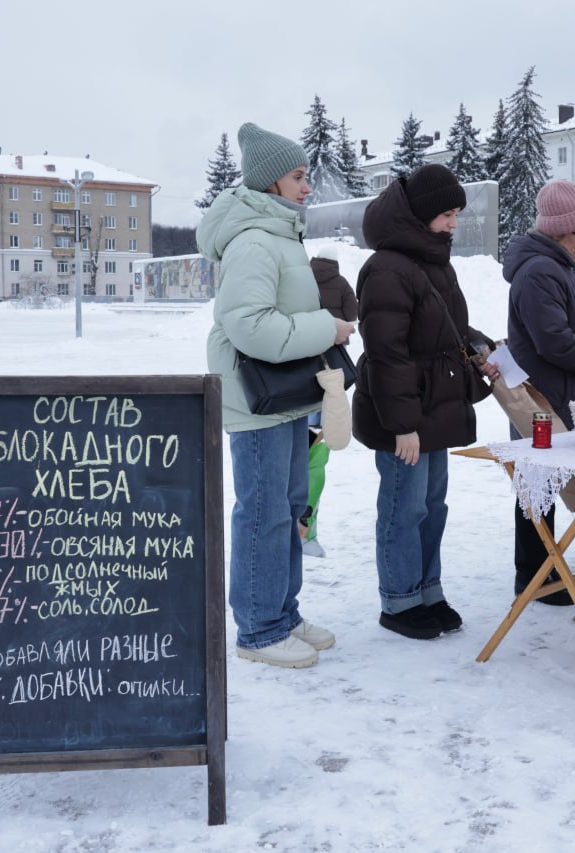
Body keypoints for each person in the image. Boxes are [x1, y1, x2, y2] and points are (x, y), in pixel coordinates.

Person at [197, 122, 356, 669]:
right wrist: (326, 328)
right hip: (256, 398)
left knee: (289, 509)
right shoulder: (253, 242)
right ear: (269, 183)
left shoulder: (279, 235)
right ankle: (259, 629)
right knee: (263, 512)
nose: (307, 186)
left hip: (284, 394)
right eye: (297, 175)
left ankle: (282, 612)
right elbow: (249, 325)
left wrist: (318, 328)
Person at [352, 163, 497, 640]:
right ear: (418, 214)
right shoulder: (386, 268)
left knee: (433, 506)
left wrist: (480, 345)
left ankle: (426, 590)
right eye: (446, 214)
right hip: (406, 416)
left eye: (456, 213)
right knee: (403, 506)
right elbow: (385, 353)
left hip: (436, 404)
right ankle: (399, 600)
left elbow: (446, 328)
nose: (454, 222)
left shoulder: (434, 260)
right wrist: (402, 424)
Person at [504, 179, 575, 607]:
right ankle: (535, 574)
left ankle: (542, 568)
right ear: (556, 230)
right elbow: (554, 340)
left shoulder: (555, 266)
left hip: (555, 396)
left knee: (544, 487)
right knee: (536, 487)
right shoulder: (540, 272)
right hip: (541, 402)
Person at [298, 243, 359, 558]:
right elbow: (353, 312)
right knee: (317, 459)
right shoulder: (342, 283)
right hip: (329, 372)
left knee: (297, 455)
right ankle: (307, 532)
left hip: (297, 371)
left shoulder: (302, 278)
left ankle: (293, 531)